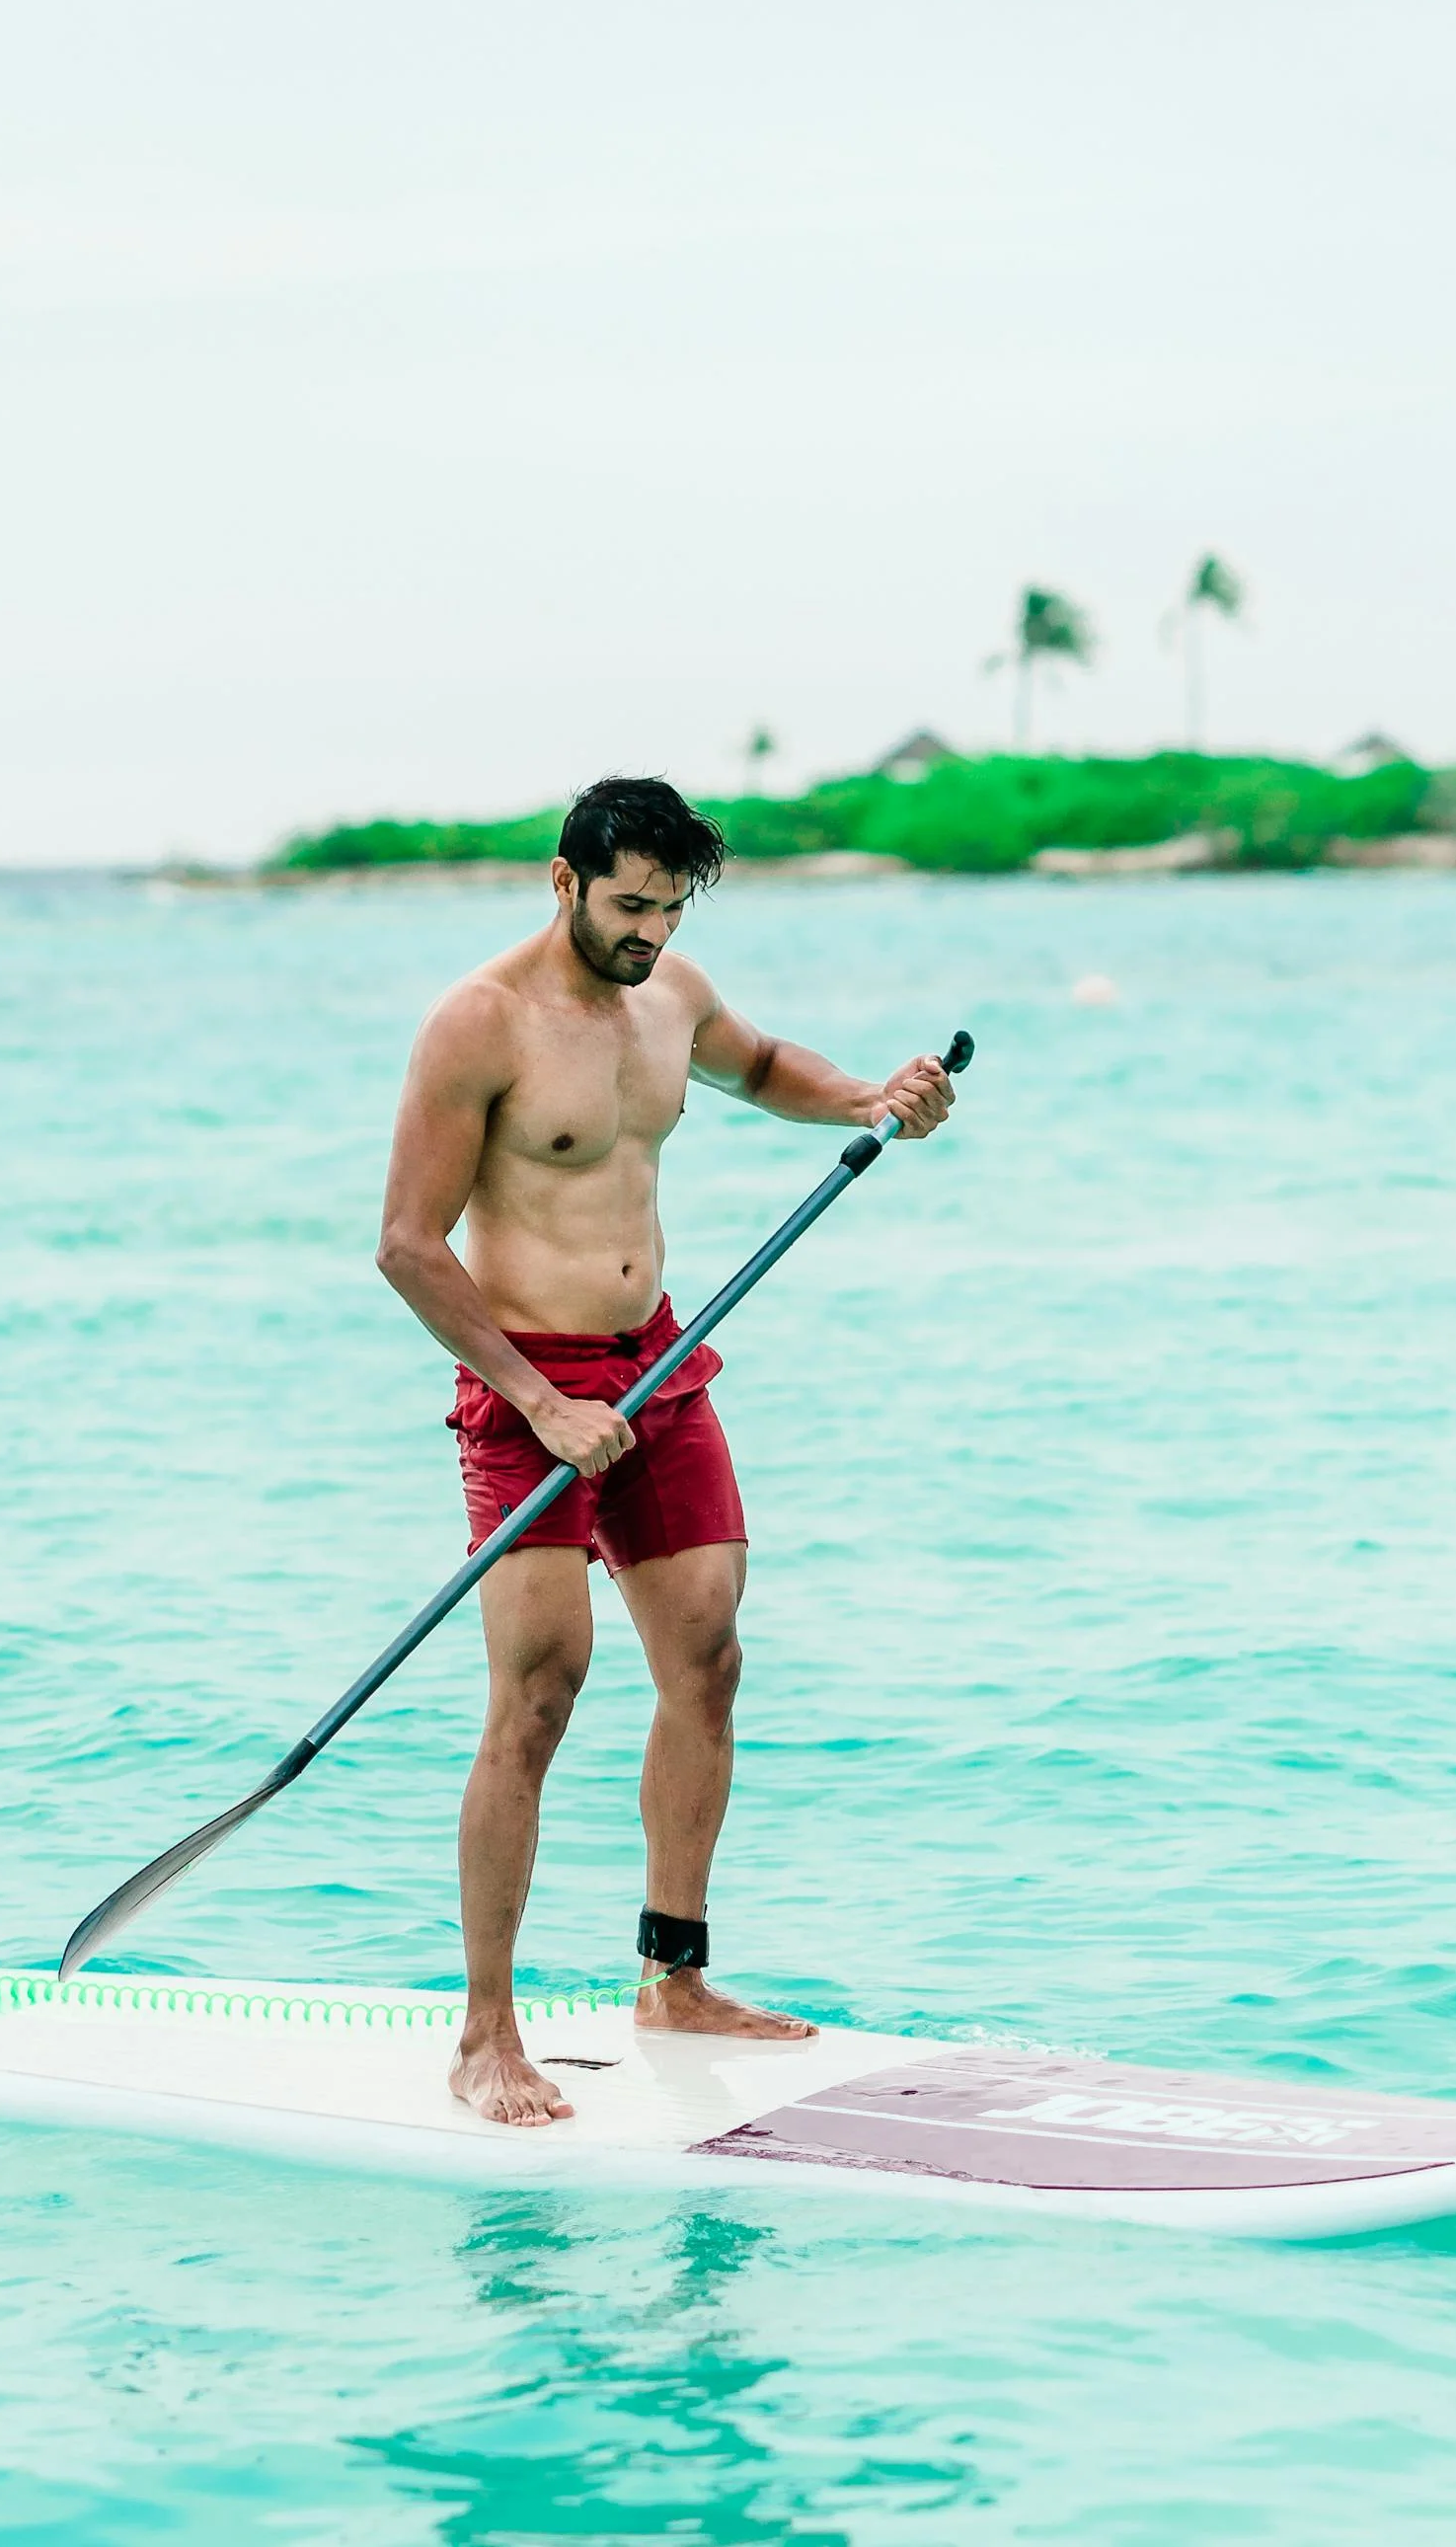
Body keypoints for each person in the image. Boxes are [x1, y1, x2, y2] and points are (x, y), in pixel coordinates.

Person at [375, 774, 955, 2125]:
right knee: (540, 1694)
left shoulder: (668, 998)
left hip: (658, 1363)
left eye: (671, 908)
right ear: (565, 881)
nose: (650, 931)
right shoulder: (481, 1026)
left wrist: (873, 1097)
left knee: (707, 1654)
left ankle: (672, 1974)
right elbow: (407, 1245)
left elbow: (756, 1070)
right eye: (630, 904)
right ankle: (486, 2035)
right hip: (532, 1385)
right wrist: (535, 1400)